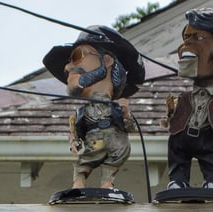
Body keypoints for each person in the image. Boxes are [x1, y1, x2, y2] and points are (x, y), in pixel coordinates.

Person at [43, 26, 145, 190]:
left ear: (107, 61)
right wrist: (74, 141)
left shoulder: (117, 107)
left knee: (118, 155)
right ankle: (78, 184)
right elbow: (76, 130)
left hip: (116, 143)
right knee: (85, 161)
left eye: (77, 56)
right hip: (94, 141)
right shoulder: (82, 112)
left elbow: (130, 128)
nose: (67, 68)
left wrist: (126, 115)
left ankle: (107, 184)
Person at [162, 9, 213, 190]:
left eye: (198, 38)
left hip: (206, 136)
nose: (187, 44)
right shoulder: (183, 97)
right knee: (177, 155)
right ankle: (178, 180)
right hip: (182, 136)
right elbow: (172, 119)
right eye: (186, 37)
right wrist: (171, 113)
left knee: (210, 158)